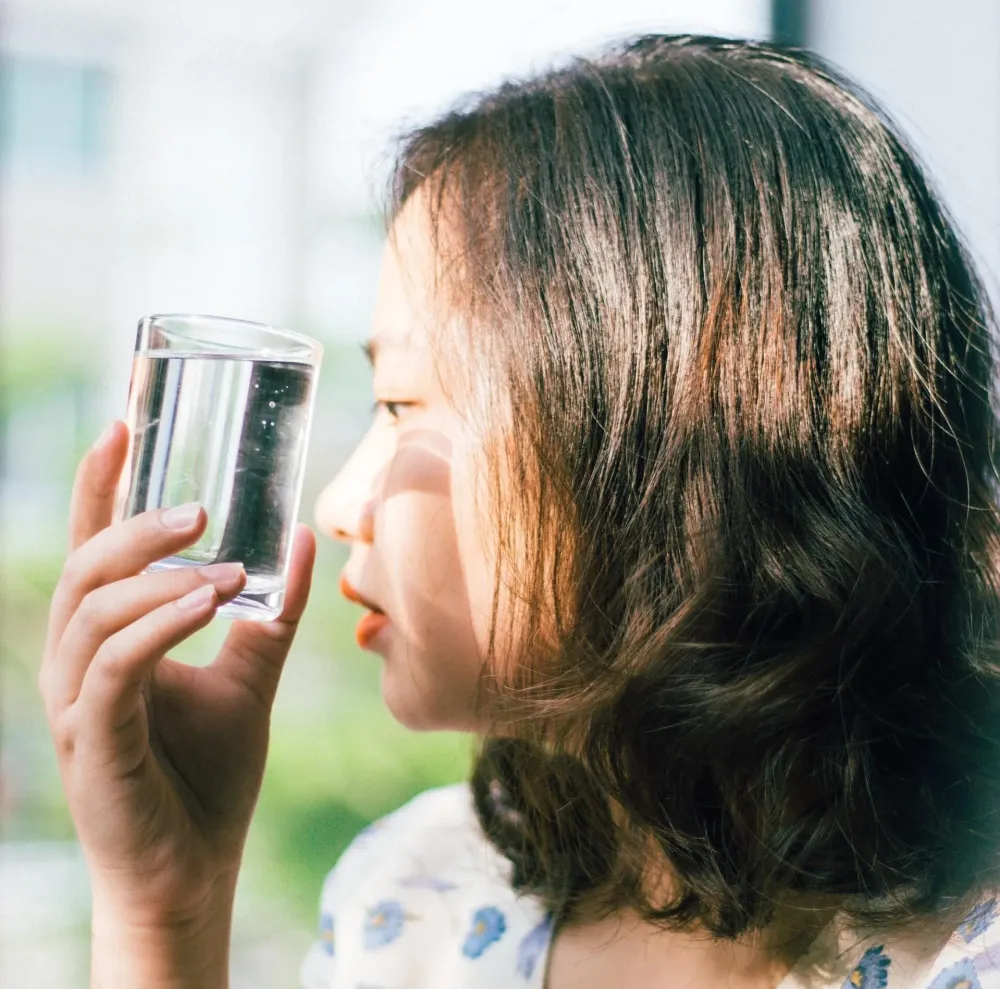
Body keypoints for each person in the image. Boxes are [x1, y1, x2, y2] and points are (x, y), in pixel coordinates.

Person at [38, 34, 1000, 989]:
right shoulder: (414, 904)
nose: (335, 507)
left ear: (663, 429)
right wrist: (167, 908)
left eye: (404, 404)